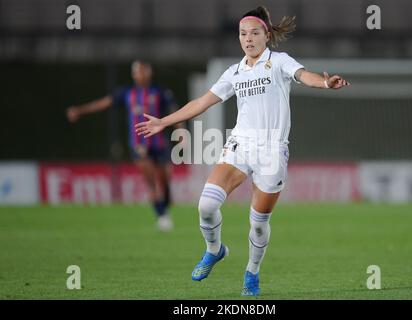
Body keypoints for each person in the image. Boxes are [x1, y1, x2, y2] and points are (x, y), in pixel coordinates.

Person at [135, 6, 350, 296]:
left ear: (267, 35)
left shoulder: (279, 61)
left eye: (254, 33)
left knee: (258, 224)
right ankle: (215, 249)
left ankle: (252, 273)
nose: (248, 39)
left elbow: (303, 75)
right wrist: (164, 121)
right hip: (241, 145)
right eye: (243, 34)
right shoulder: (234, 72)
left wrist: (324, 82)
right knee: (206, 206)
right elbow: (202, 102)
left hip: (273, 151)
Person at [67, 60, 183, 232]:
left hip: (158, 143)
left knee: (164, 180)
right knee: (150, 180)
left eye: (142, 71)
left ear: (148, 73)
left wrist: (180, 132)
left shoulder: (160, 92)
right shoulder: (126, 93)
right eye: (136, 71)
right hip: (139, 144)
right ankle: (161, 216)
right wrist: (80, 110)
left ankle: (164, 207)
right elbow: (102, 103)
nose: (139, 74)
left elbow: (174, 112)